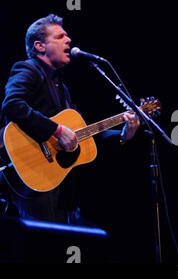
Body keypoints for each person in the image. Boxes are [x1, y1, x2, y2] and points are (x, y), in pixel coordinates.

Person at [0, 14, 140, 225]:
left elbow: (83, 132)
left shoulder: (61, 87)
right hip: (33, 176)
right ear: (39, 46)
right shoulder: (28, 69)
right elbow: (12, 104)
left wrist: (123, 135)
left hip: (60, 187)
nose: (69, 40)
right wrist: (55, 131)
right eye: (60, 36)